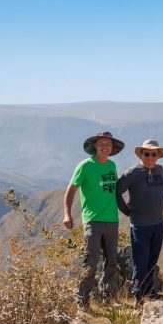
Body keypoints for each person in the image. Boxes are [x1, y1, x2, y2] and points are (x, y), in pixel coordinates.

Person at [63, 131, 124, 309]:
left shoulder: (112, 165)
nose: (105, 147)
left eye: (108, 144)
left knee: (111, 260)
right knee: (91, 259)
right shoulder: (85, 166)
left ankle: (107, 297)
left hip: (112, 220)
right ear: (95, 146)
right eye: (102, 144)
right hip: (93, 220)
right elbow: (71, 189)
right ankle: (82, 299)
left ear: (112, 148)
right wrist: (67, 213)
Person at [116, 139, 163, 302]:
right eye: (147, 154)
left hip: (158, 224)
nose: (150, 157)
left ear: (158, 156)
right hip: (139, 226)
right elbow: (117, 191)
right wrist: (126, 211)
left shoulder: (160, 169)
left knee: (152, 261)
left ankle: (150, 291)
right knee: (140, 262)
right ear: (142, 154)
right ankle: (138, 295)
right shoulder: (132, 173)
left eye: (154, 154)